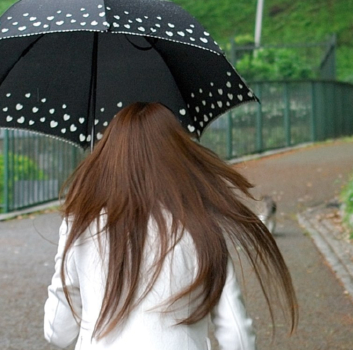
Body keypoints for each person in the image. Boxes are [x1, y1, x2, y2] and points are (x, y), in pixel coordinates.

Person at [44, 102, 298, 350]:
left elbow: (58, 332)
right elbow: (238, 339)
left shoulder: (79, 225)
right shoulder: (201, 225)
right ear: (177, 157)